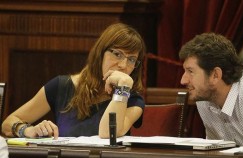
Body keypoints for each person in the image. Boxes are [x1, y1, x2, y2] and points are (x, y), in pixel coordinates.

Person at [1, 23, 146, 139]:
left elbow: (108, 133)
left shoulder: (132, 100)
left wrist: (123, 88)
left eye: (131, 59)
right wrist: (27, 130)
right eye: (117, 54)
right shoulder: (62, 86)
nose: (123, 65)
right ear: (100, 53)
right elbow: (8, 123)